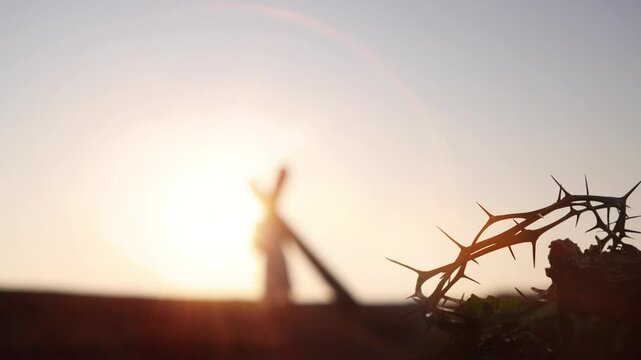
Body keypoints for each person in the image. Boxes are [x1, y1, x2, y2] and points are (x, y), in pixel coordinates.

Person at [254, 212, 291, 306]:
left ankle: (280, 300)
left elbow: (289, 239)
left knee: (280, 285)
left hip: (276, 257)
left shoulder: (274, 223)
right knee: (273, 284)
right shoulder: (263, 224)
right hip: (272, 258)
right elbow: (257, 245)